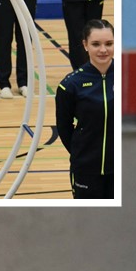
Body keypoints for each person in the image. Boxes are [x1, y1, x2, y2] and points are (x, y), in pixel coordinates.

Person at [55, 19, 114, 199]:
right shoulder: (70, 85)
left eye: (109, 44)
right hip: (86, 169)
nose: (103, 50)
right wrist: (82, 153)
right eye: (96, 44)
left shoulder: (129, 78)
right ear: (85, 45)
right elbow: (64, 128)